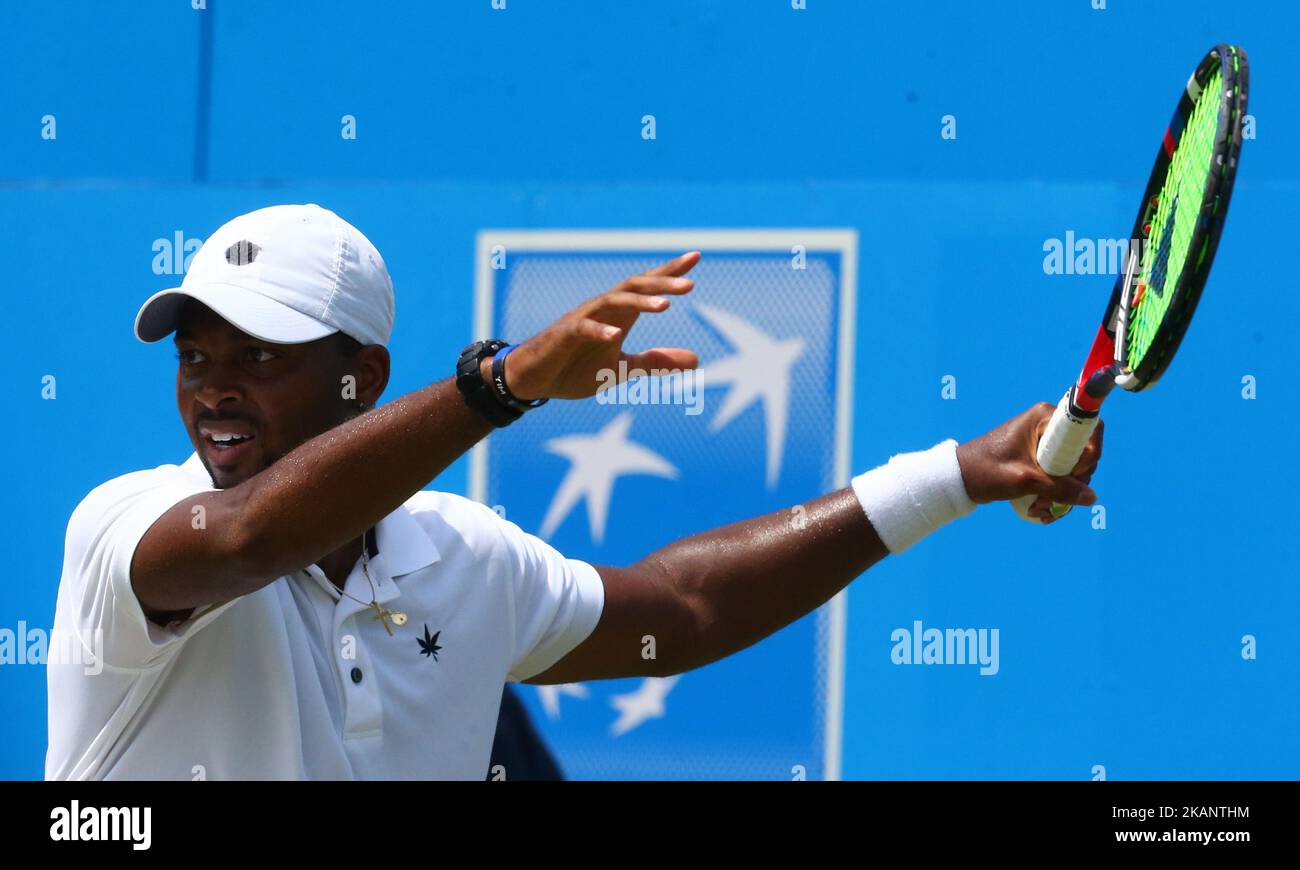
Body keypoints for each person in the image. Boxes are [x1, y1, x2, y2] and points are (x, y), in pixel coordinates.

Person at [46, 203, 1102, 780]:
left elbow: (682, 611)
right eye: (195, 357)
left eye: (261, 354)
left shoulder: (462, 559)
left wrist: (951, 476)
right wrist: (497, 386)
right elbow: (247, 541)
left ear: (359, 379)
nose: (215, 385)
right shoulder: (122, 529)